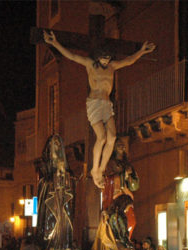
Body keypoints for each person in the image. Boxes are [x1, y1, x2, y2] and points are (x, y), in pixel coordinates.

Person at [43, 30, 155, 188]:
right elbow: (72, 56)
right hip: (94, 103)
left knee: (112, 137)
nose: (106, 60)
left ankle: (101, 169)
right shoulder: (90, 65)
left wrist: (141, 51)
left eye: (108, 58)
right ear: (98, 56)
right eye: (104, 57)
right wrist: (54, 42)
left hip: (107, 104)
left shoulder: (112, 66)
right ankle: (95, 169)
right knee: (101, 138)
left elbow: (129, 61)